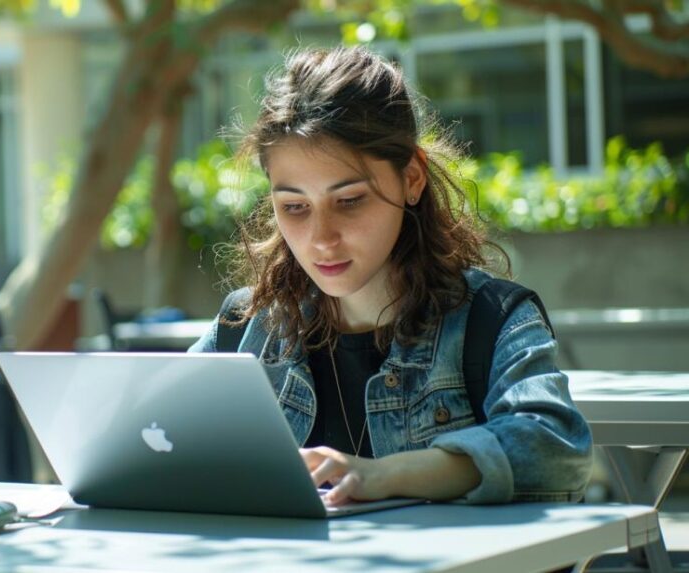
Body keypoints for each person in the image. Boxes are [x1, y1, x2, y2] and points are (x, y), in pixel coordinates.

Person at [189, 45, 592, 506]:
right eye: (294, 207)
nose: (322, 239)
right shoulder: (247, 327)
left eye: (349, 200)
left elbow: (555, 448)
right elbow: (151, 429)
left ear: (413, 178)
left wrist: (383, 476)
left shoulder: (493, 321)